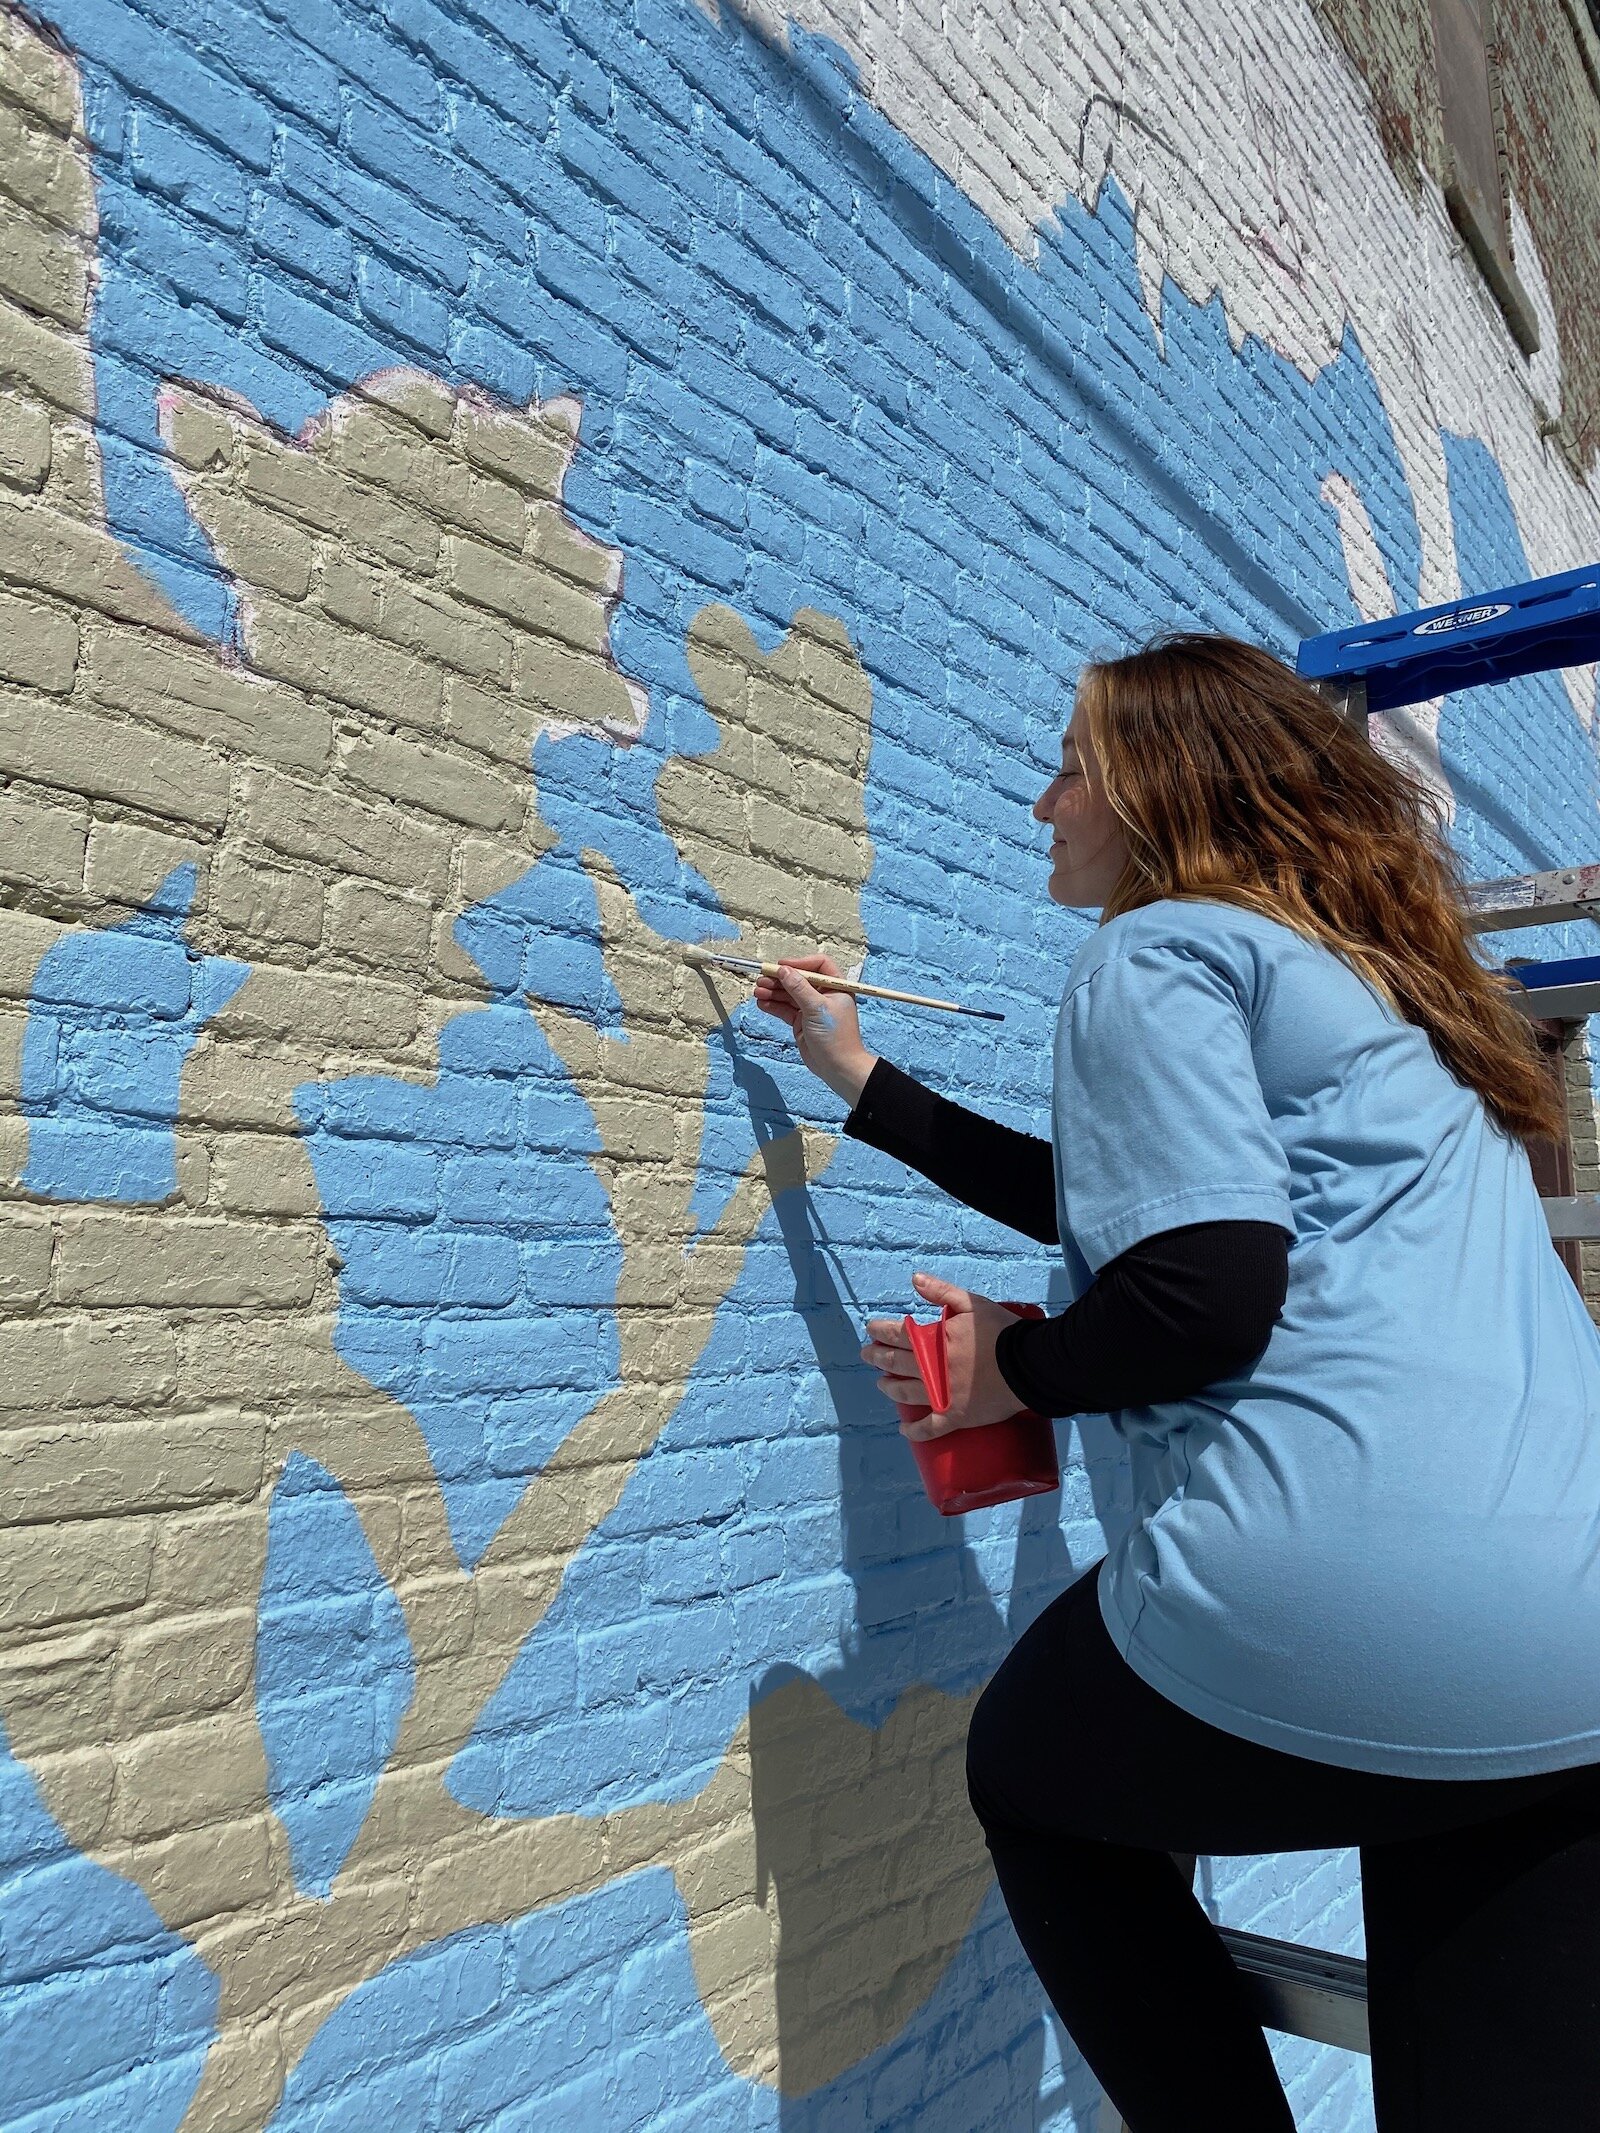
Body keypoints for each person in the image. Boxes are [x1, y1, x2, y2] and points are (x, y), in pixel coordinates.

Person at [754, 633, 1600, 2133]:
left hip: (1347, 1594)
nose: (1043, 803)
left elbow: (1199, 1295)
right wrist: (866, 1085)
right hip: (1569, 1626)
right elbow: (1129, 1204)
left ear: (1160, 786)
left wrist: (1004, 1370)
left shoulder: (1158, 949)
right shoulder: (1388, 999)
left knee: (1029, 1772)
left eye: (1071, 763)